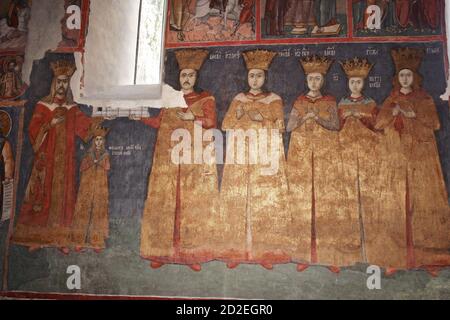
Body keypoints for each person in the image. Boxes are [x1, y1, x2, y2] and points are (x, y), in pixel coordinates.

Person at [138, 49, 220, 272]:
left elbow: (211, 121)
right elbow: (160, 123)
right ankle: (161, 253)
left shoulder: (206, 98)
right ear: (178, 77)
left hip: (193, 160)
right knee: (165, 202)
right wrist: (142, 118)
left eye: (191, 75)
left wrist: (193, 117)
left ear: (196, 78)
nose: (186, 79)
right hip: (169, 162)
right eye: (183, 75)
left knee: (191, 203)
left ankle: (192, 255)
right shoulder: (171, 99)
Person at [13, 59, 102, 254]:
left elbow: (85, 127)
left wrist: (100, 118)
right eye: (59, 81)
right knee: (40, 197)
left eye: (65, 82)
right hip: (46, 161)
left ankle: (61, 238)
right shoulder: (43, 106)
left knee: (65, 200)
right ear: (54, 82)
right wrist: (49, 124)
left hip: (65, 164)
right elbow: (33, 131)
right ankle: (37, 238)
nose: (62, 86)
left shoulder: (72, 109)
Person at [375, 48, 450, 274]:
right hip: (396, 159)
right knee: (397, 205)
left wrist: (413, 115)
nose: (405, 79)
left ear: (414, 77)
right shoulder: (391, 99)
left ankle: (430, 258)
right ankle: (395, 258)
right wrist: (393, 112)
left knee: (423, 203)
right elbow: (379, 124)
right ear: (397, 78)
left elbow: (435, 124)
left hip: (421, 159)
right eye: (401, 75)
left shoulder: (424, 98)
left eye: (408, 75)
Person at [219, 49, 293, 270]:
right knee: (238, 198)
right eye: (252, 75)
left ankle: (265, 252)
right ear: (247, 77)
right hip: (241, 155)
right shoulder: (238, 99)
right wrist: (239, 116)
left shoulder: (274, 99)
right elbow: (225, 125)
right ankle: (235, 251)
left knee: (264, 199)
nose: (255, 79)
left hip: (263, 155)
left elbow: (280, 127)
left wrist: (264, 119)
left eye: (259, 75)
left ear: (265, 77)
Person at [287, 55, 355, 273]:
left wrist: (318, 119)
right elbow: (289, 127)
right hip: (303, 158)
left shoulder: (329, 101)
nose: (314, 82)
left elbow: (335, 125)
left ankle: (330, 255)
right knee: (303, 203)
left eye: (318, 79)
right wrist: (303, 118)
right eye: (311, 79)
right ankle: (303, 255)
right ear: (306, 80)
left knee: (327, 203)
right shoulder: (299, 101)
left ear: (322, 80)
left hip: (326, 157)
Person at [338, 58, 385, 268]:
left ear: (363, 83)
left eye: (359, 82)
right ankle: (351, 248)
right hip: (346, 155)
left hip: (367, 156)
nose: (355, 85)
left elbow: (380, 129)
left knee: (368, 200)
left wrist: (362, 119)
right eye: (352, 82)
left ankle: (372, 249)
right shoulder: (341, 104)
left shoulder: (371, 104)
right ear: (348, 84)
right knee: (348, 201)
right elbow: (335, 129)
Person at [71, 127, 111, 253]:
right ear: (93, 141)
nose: (98, 142)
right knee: (83, 210)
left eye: (101, 140)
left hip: (99, 187)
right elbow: (82, 167)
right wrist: (90, 162)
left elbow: (107, 167)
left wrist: (99, 162)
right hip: (87, 187)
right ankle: (79, 240)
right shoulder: (88, 154)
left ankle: (96, 241)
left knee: (98, 211)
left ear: (103, 142)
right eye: (96, 139)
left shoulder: (105, 155)